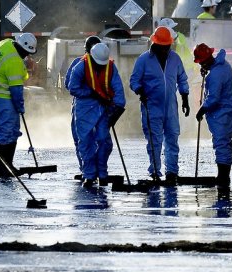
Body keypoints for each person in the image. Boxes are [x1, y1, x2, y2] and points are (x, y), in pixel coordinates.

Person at [129, 26, 190, 183]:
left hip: (171, 108)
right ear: (155, 44)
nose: (166, 49)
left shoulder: (175, 59)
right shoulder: (143, 60)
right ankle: (155, 171)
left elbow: (182, 78)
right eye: (163, 46)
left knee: (172, 139)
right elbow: (134, 80)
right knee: (154, 141)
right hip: (152, 107)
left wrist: (185, 97)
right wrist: (139, 90)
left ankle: (172, 172)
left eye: (168, 46)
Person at [67, 43, 126, 188]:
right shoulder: (80, 67)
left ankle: (102, 173)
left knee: (105, 142)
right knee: (85, 142)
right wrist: (90, 93)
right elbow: (72, 88)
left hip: (103, 109)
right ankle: (89, 175)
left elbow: (118, 90)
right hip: (84, 109)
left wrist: (117, 109)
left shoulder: (110, 68)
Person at [0, 33, 37, 178]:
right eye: (27, 52)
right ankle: (3, 169)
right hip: (3, 97)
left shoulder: (7, 43)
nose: (27, 55)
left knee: (12, 130)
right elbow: (16, 90)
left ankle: (7, 166)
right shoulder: (14, 62)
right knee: (6, 132)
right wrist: (20, 106)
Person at [193, 43, 232, 187]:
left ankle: (223, 177)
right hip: (228, 111)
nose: (200, 65)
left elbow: (213, 98)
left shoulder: (216, 75)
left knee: (221, 143)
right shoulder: (222, 65)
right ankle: (224, 175)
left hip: (222, 114)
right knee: (225, 142)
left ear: (205, 60)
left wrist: (202, 109)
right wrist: (207, 71)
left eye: (201, 62)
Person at [65, 36, 102, 173]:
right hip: (96, 106)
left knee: (83, 139)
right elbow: (70, 86)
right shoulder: (105, 65)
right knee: (94, 139)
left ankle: (87, 169)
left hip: (84, 107)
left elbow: (69, 86)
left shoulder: (77, 63)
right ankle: (93, 169)